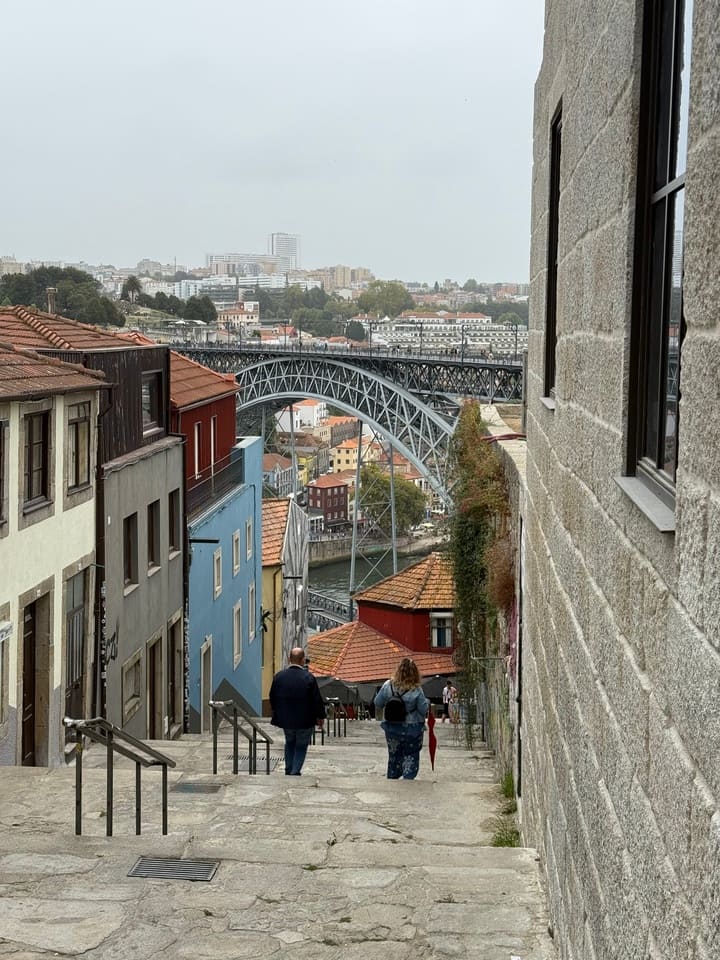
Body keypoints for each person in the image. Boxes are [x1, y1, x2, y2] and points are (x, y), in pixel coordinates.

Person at [269, 647, 326, 776]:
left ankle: (288, 769)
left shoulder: (279, 677)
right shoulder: (309, 678)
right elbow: (316, 700)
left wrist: (277, 712)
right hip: (305, 720)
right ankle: (295, 771)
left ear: (289, 659)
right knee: (301, 745)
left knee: (289, 743)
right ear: (303, 660)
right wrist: (320, 717)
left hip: (285, 719)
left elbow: (272, 696)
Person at [374, 657, 429, 780]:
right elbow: (423, 710)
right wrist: (426, 702)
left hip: (392, 727)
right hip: (412, 728)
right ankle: (408, 777)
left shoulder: (388, 685)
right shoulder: (416, 689)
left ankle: (393, 776)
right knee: (411, 754)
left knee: (394, 754)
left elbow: (378, 702)